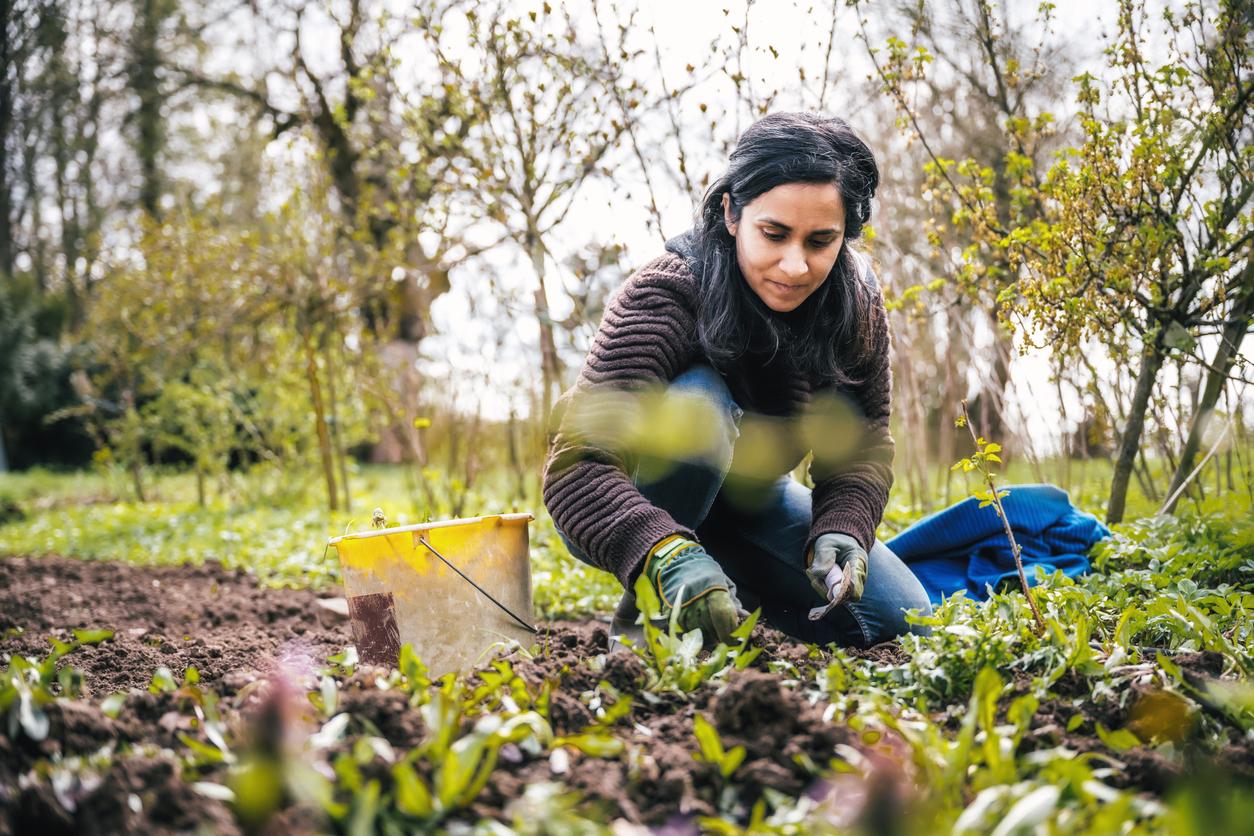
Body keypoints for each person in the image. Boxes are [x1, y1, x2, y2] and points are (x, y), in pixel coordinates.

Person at [542, 112, 932, 649]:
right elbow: (576, 468)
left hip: (750, 500)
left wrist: (843, 526)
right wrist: (663, 552)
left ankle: (724, 597)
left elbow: (862, 446)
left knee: (899, 616)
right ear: (730, 213)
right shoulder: (667, 294)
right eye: (773, 234)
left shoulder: (855, 307)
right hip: (618, 494)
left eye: (821, 241)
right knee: (699, 407)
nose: (794, 265)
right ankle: (645, 626)